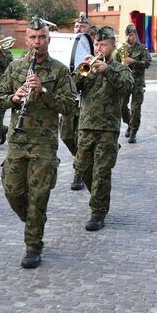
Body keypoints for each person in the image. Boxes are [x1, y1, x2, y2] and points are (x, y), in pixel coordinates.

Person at [0, 17, 77, 268]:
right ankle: (34, 220)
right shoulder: (15, 68)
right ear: (26, 39)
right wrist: (13, 97)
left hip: (44, 143)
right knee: (13, 191)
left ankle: (33, 246)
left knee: (39, 196)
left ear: (48, 40)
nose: (37, 42)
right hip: (18, 141)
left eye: (41, 37)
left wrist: (43, 92)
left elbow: (71, 106)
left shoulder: (60, 71)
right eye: (32, 37)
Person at [73, 26, 134, 231]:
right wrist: (80, 71)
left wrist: (107, 70)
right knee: (82, 168)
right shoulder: (87, 66)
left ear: (113, 46)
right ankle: (99, 198)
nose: (99, 48)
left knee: (101, 171)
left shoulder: (120, 69)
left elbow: (127, 87)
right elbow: (73, 88)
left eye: (104, 44)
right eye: (97, 44)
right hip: (86, 125)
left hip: (108, 128)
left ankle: (98, 211)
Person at [61, 13, 91, 190]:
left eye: (82, 27)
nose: (78, 29)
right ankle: (83, 159)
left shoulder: (91, 47)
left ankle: (79, 173)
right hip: (69, 100)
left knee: (81, 139)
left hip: (85, 103)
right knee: (66, 135)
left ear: (88, 30)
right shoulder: (70, 45)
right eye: (76, 26)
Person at [112, 23, 151, 143]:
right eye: (127, 35)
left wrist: (133, 61)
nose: (129, 38)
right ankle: (129, 124)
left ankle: (133, 131)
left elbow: (148, 63)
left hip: (137, 83)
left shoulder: (142, 48)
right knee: (122, 107)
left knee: (135, 108)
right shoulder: (121, 50)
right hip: (125, 82)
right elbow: (114, 64)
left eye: (131, 35)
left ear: (135, 35)